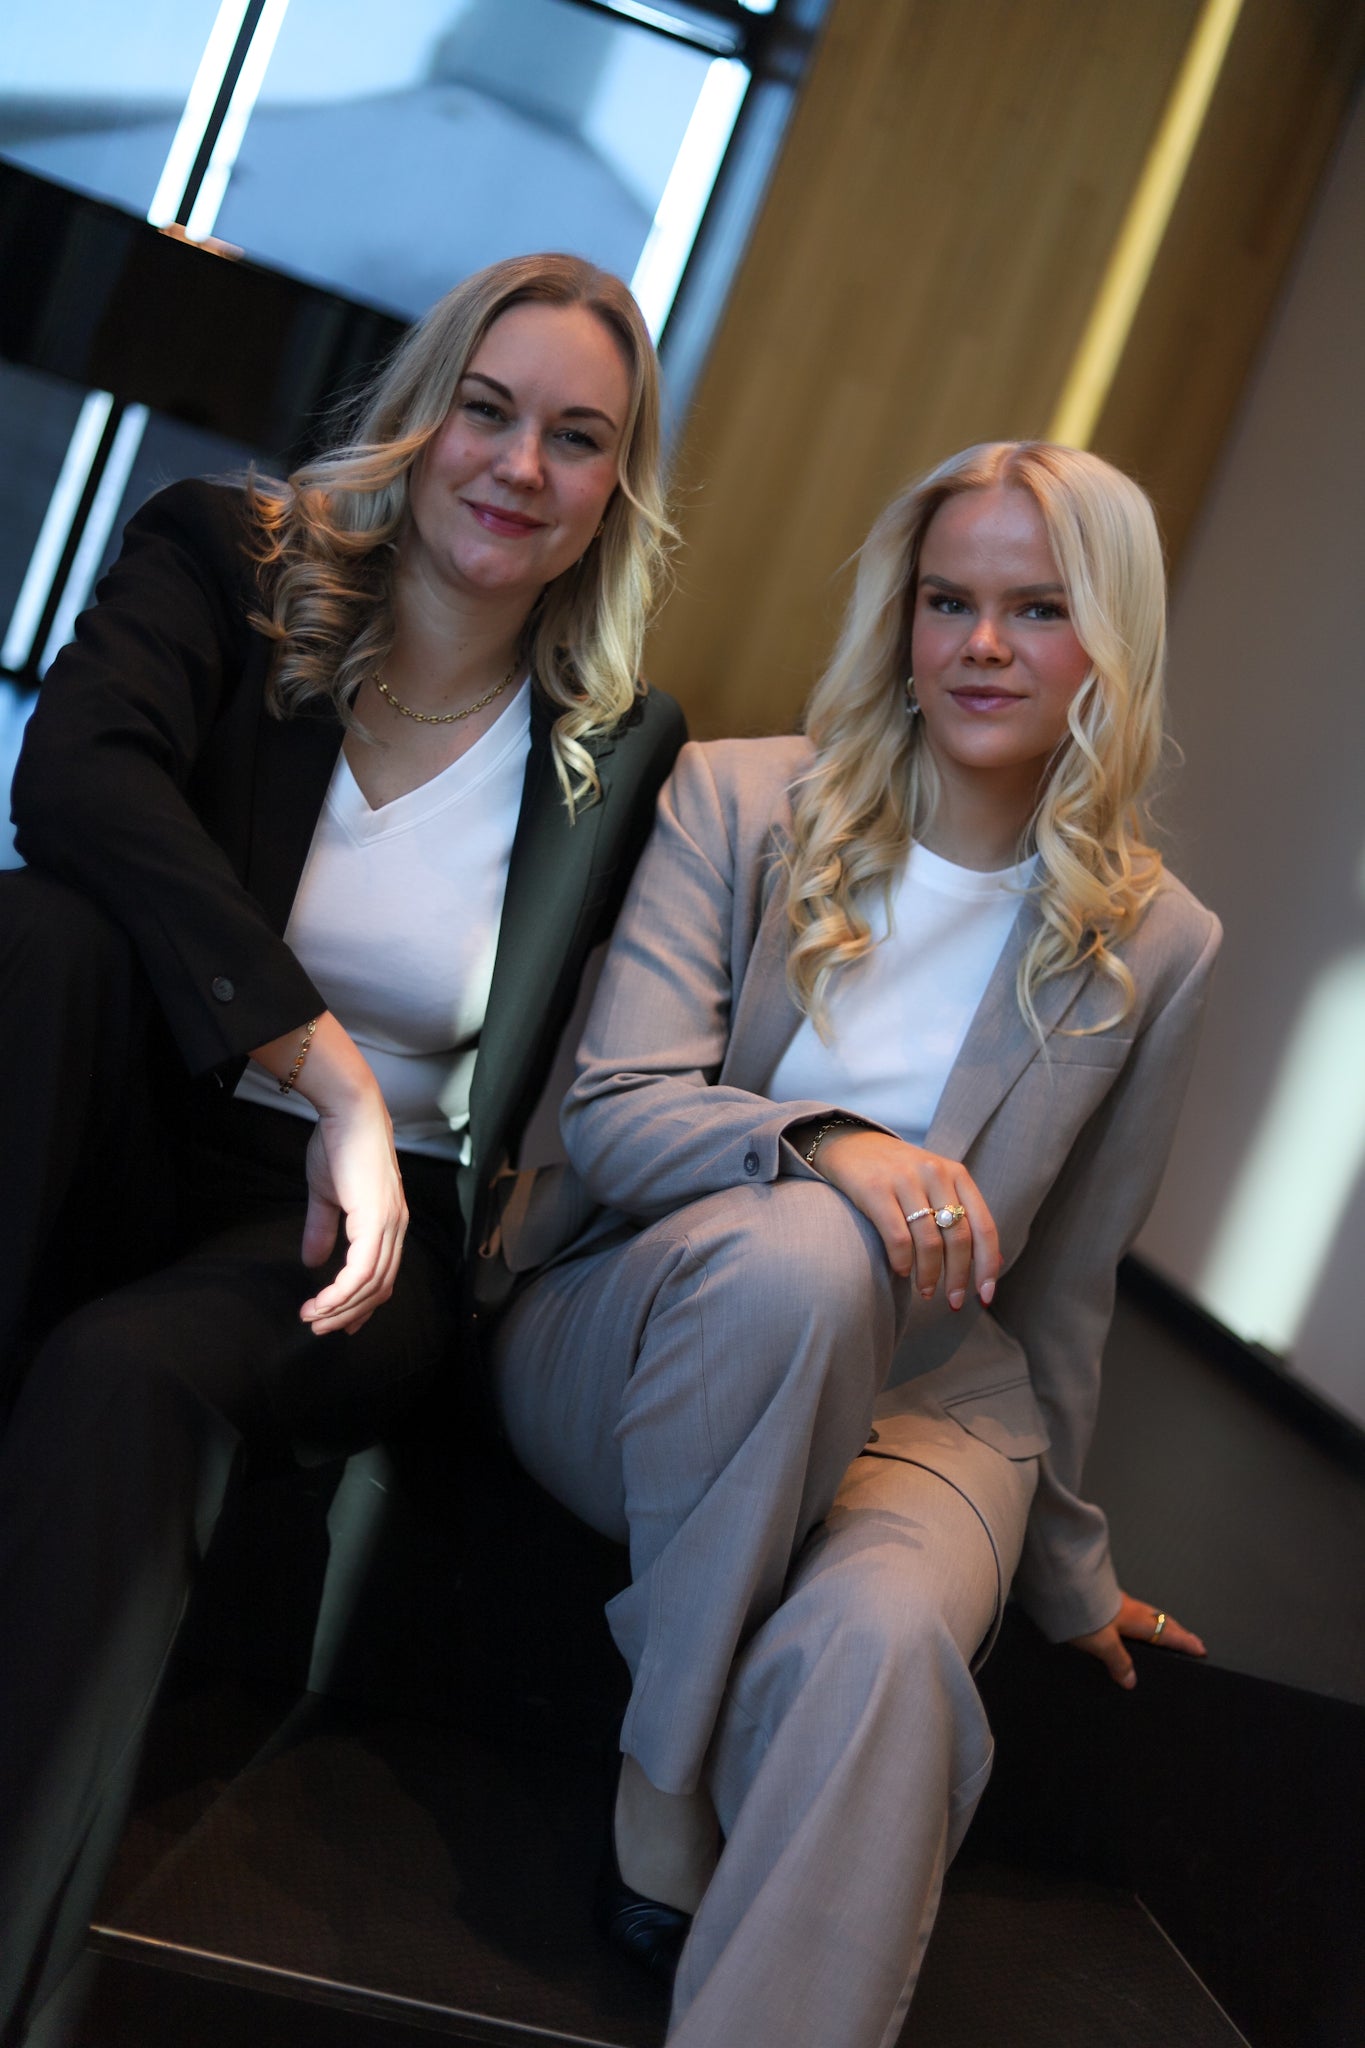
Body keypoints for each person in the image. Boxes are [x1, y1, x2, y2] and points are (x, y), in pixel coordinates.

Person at [0, 251, 685, 2043]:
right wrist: (335, 1080)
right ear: (422, 410)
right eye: (488, 410)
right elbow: (73, 779)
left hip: (358, 1241)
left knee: (123, 1374)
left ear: (616, 487)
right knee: (36, 933)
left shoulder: (617, 750)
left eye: (576, 438)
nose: (517, 466)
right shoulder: (225, 558)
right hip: (151, 1111)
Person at [490, 441, 1219, 2047]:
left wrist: (1067, 1573)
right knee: (814, 1256)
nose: (980, 645)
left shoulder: (1157, 941)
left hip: (924, 1405)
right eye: (946, 602)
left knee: (880, 1649)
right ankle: (663, 1772)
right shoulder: (741, 800)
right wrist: (828, 1145)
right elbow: (614, 1109)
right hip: (651, 1338)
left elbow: (1066, 1286)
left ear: (1111, 639)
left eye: (1037, 610)